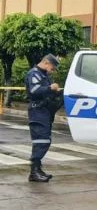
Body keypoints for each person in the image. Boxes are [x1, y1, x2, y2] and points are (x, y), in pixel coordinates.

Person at [25, 54, 60, 183]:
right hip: (37, 111)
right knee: (41, 140)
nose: (53, 69)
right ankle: (34, 172)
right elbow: (35, 91)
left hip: (44, 111)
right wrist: (50, 88)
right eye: (53, 66)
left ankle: (37, 169)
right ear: (46, 62)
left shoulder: (43, 75)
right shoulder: (34, 74)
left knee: (44, 140)